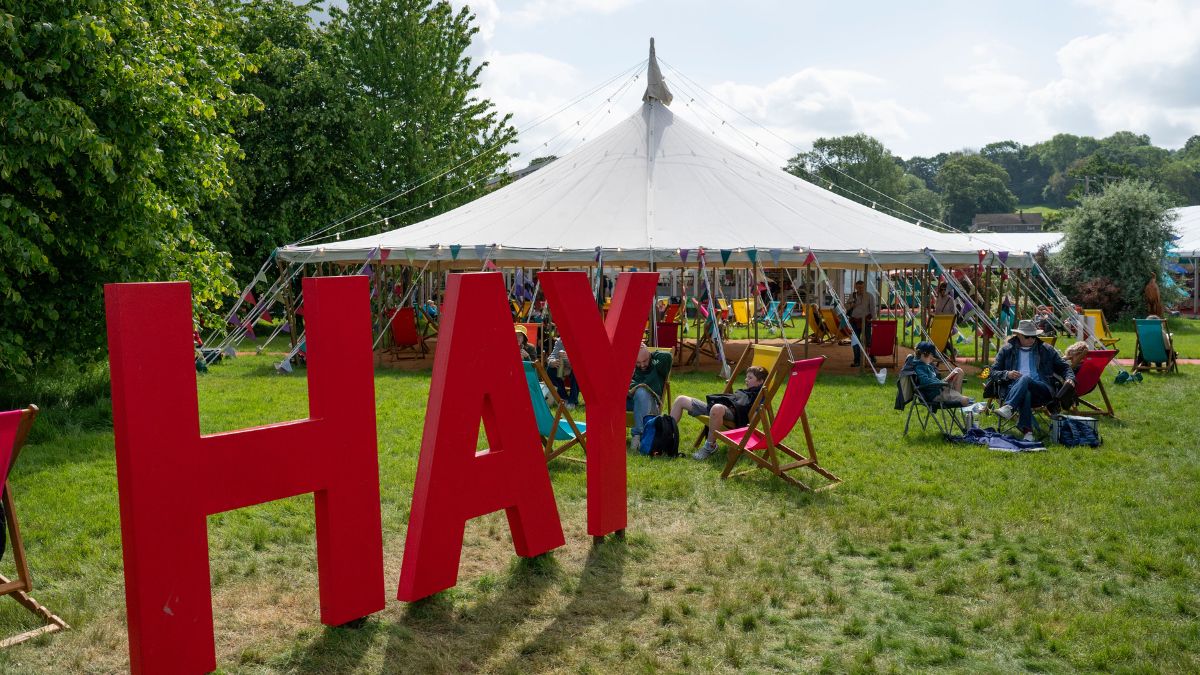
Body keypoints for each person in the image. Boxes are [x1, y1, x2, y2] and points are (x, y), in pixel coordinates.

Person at [988, 319, 1073, 441]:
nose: (1032, 340)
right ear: (1019, 335)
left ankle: (1009, 407)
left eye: (1034, 336)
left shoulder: (1046, 349)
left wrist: (1070, 378)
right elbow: (992, 372)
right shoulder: (1007, 350)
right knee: (1026, 392)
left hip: (1042, 390)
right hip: (1014, 389)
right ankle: (1028, 433)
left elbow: (1064, 367)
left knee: (1026, 378)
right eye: (1028, 337)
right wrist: (1007, 374)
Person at [669, 365, 768, 460]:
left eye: (750, 378)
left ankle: (710, 446)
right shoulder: (746, 392)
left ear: (760, 381)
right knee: (681, 399)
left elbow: (752, 421)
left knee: (716, 408)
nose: (746, 379)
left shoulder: (760, 397)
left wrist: (746, 431)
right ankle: (666, 435)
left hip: (733, 417)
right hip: (718, 412)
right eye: (746, 377)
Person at [627, 343, 673, 450]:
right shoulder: (631, 367)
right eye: (638, 362)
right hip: (632, 402)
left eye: (645, 361)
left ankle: (638, 435)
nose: (642, 365)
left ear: (649, 356)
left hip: (651, 406)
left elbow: (668, 357)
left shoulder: (656, 365)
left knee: (641, 391)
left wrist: (650, 354)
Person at [912, 341, 971, 406]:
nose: (933, 358)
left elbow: (933, 381)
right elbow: (925, 381)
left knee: (958, 371)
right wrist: (942, 383)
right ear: (924, 354)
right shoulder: (919, 367)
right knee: (966, 400)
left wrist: (943, 381)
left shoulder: (927, 366)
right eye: (932, 355)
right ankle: (958, 398)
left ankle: (957, 396)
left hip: (940, 389)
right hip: (935, 395)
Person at [846, 279, 878, 367]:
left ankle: (872, 358)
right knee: (855, 341)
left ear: (864, 287)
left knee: (868, 340)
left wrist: (874, 320)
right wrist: (851, 305)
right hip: (854, 321)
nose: (859, 289)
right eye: (858, 287)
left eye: (861, 287)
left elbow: (873, 309)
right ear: (855, 287)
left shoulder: (869, 296)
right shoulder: (852, 296)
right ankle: (857, 360)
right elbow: (846, 307)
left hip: (866, 321)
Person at [545, 336, 579, 409]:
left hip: (579, 368)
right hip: (564, 367)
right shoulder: (561, 340)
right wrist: (552, 361)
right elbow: (552, 356)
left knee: (577, 370)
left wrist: (571, 362)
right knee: (550, 369)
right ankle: (563, 398)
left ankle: (572, 401)